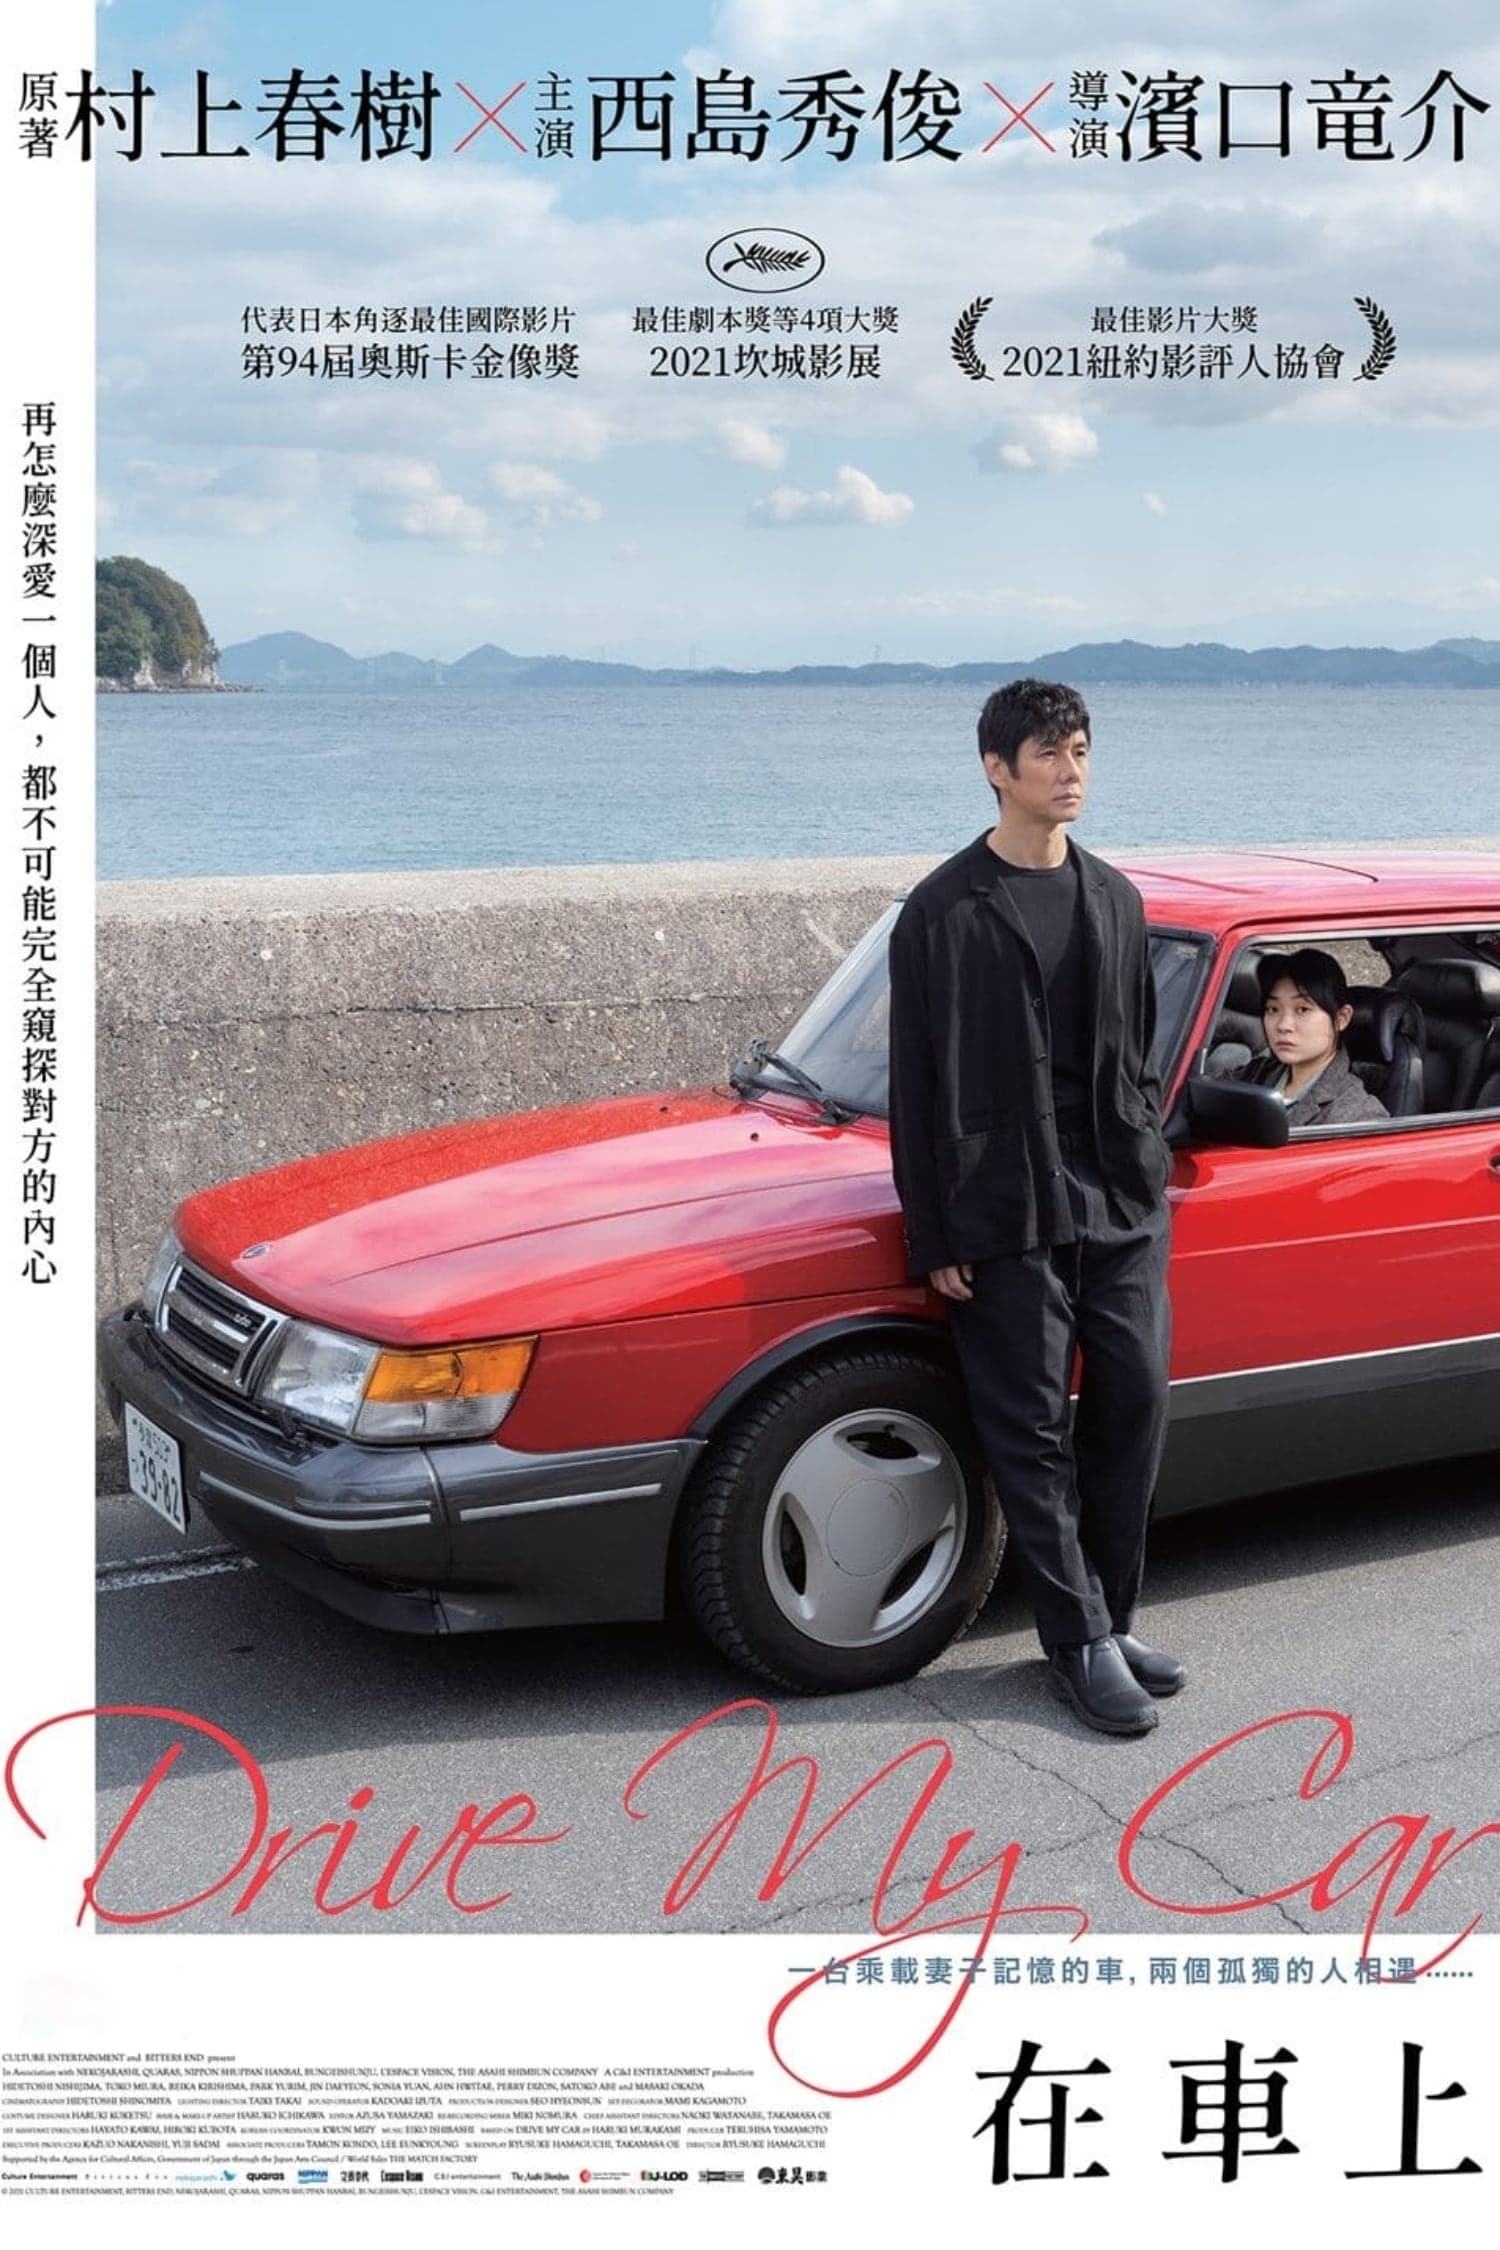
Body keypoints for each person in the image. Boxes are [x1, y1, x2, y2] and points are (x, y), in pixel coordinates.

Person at [886, 678, 1180, 1737]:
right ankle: (1077, 1641)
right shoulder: (942, 911)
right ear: (996, 769)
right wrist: (935, 1230)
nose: (1071, 771)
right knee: (1030, 1429)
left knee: (1135, 1399)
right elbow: (916, 1085)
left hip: (1118, 1198)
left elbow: (1137, 1052)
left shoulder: (1116, 898)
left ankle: (1112, 1616)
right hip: (1004, 1205)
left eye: (1082, 751)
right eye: (1050, 754)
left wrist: (1147, 1161)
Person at [1233, 949, 1390, 1125]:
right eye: (1273, 1009)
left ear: (1341, 1018)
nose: (1283, 1025)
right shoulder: (1256, 1074)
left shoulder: (1357, 1116)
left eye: (1302, 1010)